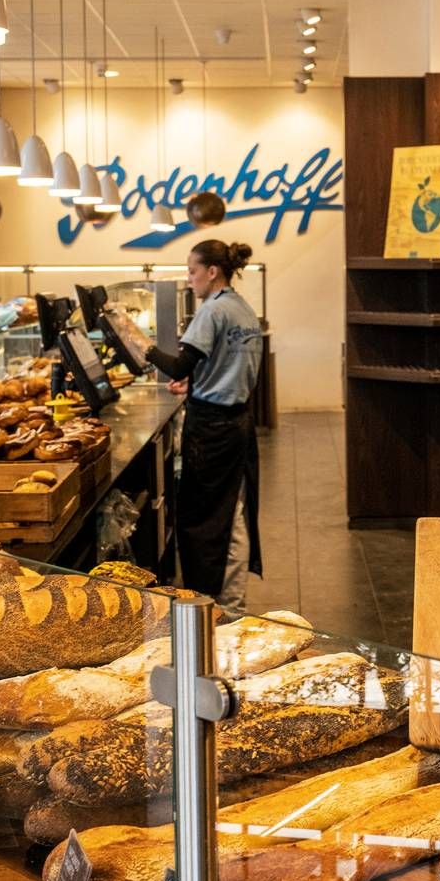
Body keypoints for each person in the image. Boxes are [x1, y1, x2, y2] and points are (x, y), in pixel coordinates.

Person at [144, 239, 263, 609]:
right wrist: (197, 382)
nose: (189, 279)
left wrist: (140, 347)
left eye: (193, 271)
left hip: (212, 430)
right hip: (238, 422)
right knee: (234, 509)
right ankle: (232, 601)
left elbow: (179, 364)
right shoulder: (242, 308)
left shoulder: (212, 311)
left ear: (212, 272)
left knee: (206, 519)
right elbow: (226, 366)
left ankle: (214, 606)